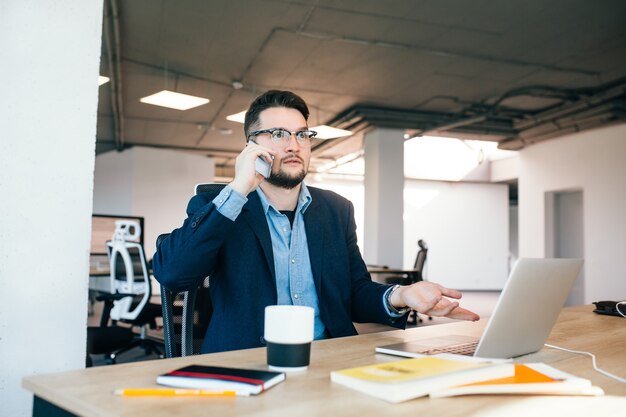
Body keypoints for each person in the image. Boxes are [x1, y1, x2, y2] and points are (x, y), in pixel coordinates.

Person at [153, 90, 479, 354]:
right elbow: (173, 274)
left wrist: (401, 296)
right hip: (248, 363)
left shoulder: (336, 210)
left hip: (329, 359)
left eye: (302, 135)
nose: (294, 145)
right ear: (251, 146)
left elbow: (354, 293)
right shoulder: (221, 206)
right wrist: (238, 188)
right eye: (278, 134)